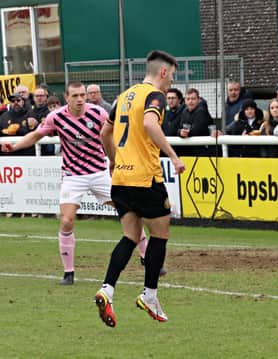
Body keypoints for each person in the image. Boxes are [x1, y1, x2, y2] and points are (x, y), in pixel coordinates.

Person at [1, 82, 153, 285]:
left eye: (82, 95)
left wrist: (119, 159)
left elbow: (115, 136)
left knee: (129, 212)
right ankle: (69, 273)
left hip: (99, 172)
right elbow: (36, 135)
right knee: (66, 220)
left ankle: (146, 257)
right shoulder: (57, 117)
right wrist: (16, 145)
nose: (80, 99)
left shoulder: (98, 113)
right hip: (73, 176)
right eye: (75, 96)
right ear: (67, 97)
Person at [95, 50, 185, 328]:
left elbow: (104, 133)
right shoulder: (154, 96)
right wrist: (172, 155)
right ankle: (150, 295)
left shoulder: (124, 96)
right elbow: (149, 123)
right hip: (145, 178)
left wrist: (113, 160)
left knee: (130, 236)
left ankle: (107, 289)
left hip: (121, 180)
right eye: (172, 74)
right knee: (160, 234)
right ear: (162, 72)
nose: (172, 80)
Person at [177, 88, 216, 156]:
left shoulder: (202, 111)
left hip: (204, 150)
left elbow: (197, 130)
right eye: (188, 99)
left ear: (198, 99)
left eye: (193, 99)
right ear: (185, 101)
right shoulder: (184, 111)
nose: (190, 101)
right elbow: (179, 128)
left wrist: (186, 133)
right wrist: (180, 132)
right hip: (191, 150)